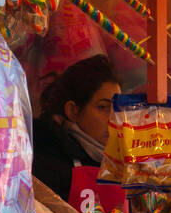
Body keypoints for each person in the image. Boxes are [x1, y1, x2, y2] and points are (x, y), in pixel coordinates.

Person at [32, 55, 121, 202]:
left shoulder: (119, 167)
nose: (114, 119)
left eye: (118, 109)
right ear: (72, 110)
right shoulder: (44, 156)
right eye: (103, 107)